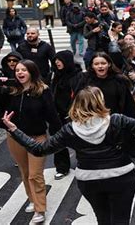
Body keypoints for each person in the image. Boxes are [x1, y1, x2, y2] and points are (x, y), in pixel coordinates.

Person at [1, 86, 135, 224]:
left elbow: (38, 149)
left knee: (102, 220)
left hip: (89, 180)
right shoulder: (117, 120)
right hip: (121, 177)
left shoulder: (69, 130)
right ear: (100, 102)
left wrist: (15, 130)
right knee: (121, 220)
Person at [0, 60, 62, 223]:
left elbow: (52, 115)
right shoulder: (11, 91)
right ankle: (32, 199)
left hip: (37, 138)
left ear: (32, 72)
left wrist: (60, 136)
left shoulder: (42, 91)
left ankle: (40, 210)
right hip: (15, 137)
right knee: (24, 172)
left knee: (35, 174)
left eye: (24, 70)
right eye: (17, 70)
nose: (20, 72)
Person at [77, 52, 135, 165]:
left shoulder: (119, 80)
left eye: (103, 63)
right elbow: (79, 100)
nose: (100, 66)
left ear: (109, 64)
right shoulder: (86, 81)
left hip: (116, 117)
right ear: (92, 66)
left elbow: (127, 101)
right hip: (95, 119)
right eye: (97, 64)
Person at [51, 50, 83, 180]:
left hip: (73, 115)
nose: (57, 63)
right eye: (56, 61)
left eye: (60, 60)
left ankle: (83, 164)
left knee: (80, 141)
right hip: (57, 115)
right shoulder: (55, 75)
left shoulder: (77, 76)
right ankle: (62, 167)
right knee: (58, 143)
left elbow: (80, 95)